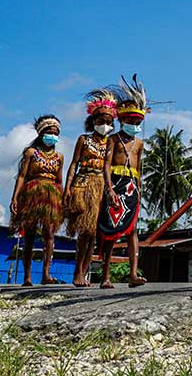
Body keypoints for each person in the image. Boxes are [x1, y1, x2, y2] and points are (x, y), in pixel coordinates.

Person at [64, 89, 117, 287]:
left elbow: (108, 167)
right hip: (82, 184)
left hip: (100, 187)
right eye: (102, 121)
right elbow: (73, 164)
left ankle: (84, 274)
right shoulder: (83, 140)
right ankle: (77, 273)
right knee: (84, 232)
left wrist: (110, 189)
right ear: (94, 120)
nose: (106, 125)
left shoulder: (110, 142)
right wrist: (68, 187)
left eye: (110, 122)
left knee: (94, 234)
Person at [99, 76, 148, 289]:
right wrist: (109, 188)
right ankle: (105, 276)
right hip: (115, 186)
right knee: (110, 231)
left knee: (133, 230)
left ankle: (133, 274)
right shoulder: (113, 140)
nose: (135, 126)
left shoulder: (139, 144)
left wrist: (140, 190)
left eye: (138, 123)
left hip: (131, 188)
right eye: (131, 122)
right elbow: (106, 165)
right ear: (122, 121)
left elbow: (141, 169)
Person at [11, 115, 64, 286]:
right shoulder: (31, 153)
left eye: (55, 133)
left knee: (49, 234)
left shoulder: (59, 157)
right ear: (41, 133)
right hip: (32, 193)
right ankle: (27, 276)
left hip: (52, 196)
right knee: (30, 235)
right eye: (49, 132)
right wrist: (15, 198)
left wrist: (61, 202)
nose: (52, 135)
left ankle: (46, 274)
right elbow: (21, 176)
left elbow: (59, 180)